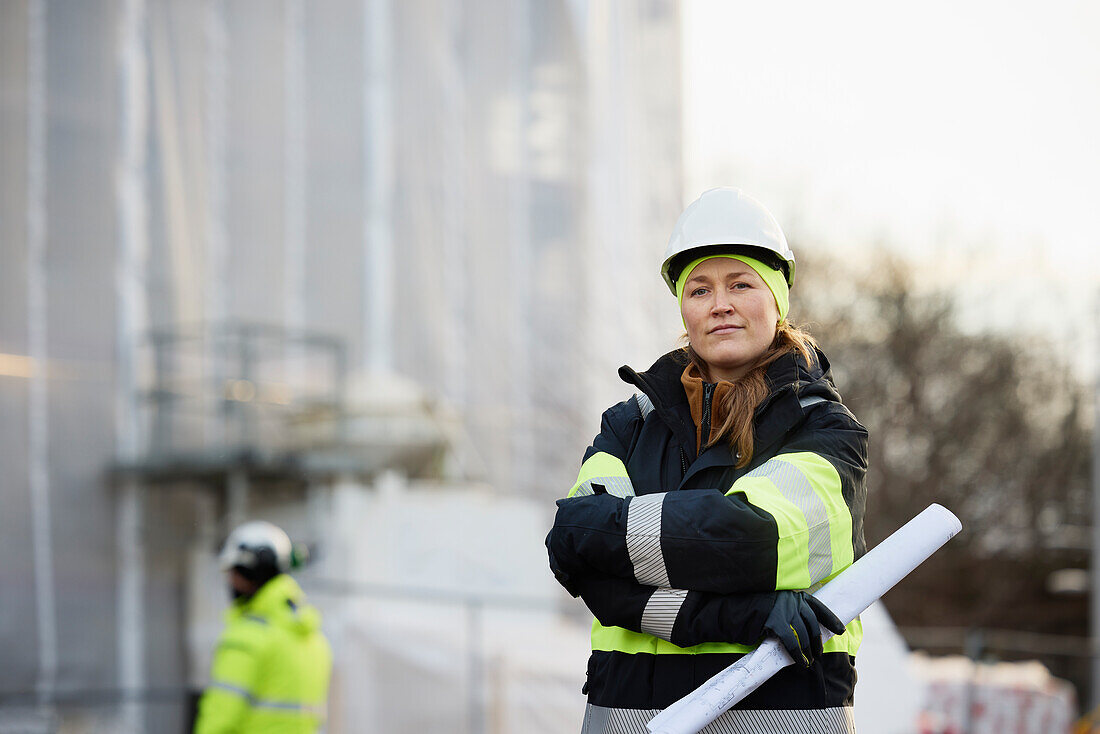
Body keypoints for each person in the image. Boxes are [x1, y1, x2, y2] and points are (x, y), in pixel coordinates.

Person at [546, 187, 868, 733]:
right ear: (684, 309)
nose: (719, 304)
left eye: (740, 284)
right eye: (700, 289)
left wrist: (616, 537)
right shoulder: (628, 425)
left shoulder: (825, 430)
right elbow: (572, 549)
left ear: (776, 300)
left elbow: (745, 541)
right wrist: (748, 615)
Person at [194, 521, 332, 734]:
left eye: (234, 572)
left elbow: (219, 719)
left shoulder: (247, 638)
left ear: (252, 572)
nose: (231, 581)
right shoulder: (314, 639)